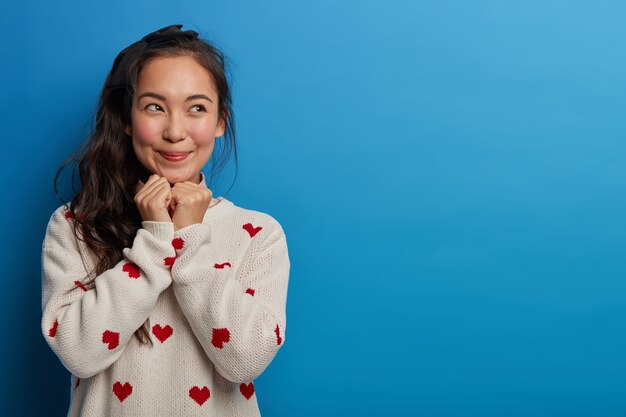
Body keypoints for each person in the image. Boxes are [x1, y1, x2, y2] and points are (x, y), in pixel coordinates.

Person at [40, 24, 290, 416]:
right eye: (154, 107)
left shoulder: (258, 234)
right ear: (127, 118)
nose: (175, 132)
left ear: (220, 121)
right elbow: (78, 354)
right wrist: (156, 242)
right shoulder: (76, 224)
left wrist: (190, 237)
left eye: (197, 108)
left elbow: (245, 361)